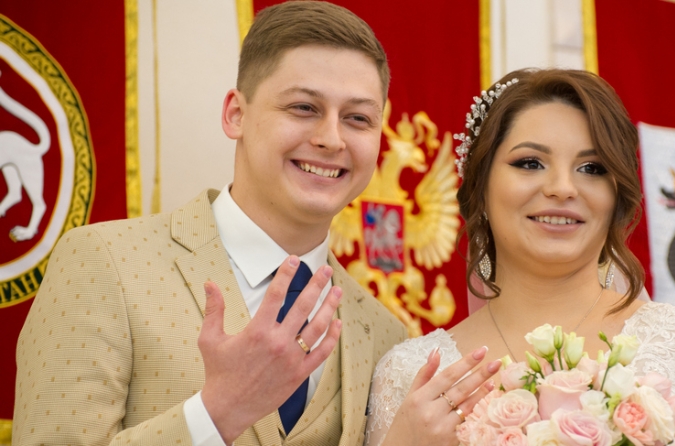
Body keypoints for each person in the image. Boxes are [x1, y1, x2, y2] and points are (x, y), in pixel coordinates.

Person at [11, 2, 483, 445]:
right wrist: (216, 413)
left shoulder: (382, 332)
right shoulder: (102, 262)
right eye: (304, 108)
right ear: (235, 114)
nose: (331, 138)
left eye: (358, 118)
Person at [364, 68, 675, 446]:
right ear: (480, 188)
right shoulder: (411, 374)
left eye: (592, 168)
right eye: (530, 163)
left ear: (616, 198)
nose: (563, 188)